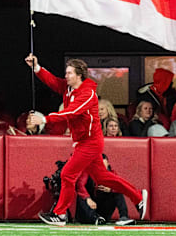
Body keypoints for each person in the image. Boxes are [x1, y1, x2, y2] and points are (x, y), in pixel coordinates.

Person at [24, 54, 147, 226]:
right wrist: (36, 67)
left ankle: (59, 215)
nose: (65, 76)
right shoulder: (68, 88)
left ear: (79, 75)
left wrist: (44, 119)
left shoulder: (88, 94)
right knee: (103, 177)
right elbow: (52, 81)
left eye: (69, 73)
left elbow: (71, 112)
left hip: (90, 142)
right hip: (83, 141)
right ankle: (138, 197)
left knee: (67, 174)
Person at [75, 154, 135, 226]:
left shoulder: (111, 174)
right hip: (87, 212)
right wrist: (88, 198)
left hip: (103, 211)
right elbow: (80, 185)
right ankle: (96, 218)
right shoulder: (87, 172)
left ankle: (124, 217)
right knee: (82, 197)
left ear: (108, 164)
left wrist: (111, 189)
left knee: (117, 190)